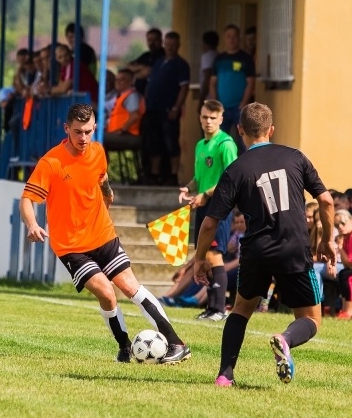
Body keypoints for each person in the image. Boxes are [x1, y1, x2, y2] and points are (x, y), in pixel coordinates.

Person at [19, 103, 190, 363]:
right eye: (77, 132)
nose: (83, 138)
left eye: (88, 131)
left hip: (103, 235)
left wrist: (108, 194)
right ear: (66, 129)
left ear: (95, 128)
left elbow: (102, 177)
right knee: (108, 294)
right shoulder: (51, 162)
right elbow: (27, 199)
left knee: (131, 287)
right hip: (71, 247)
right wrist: (32, 224)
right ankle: (124, 346)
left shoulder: (98, 151)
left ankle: (177, 343)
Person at [192, 102, 335, 387]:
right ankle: (286, 339)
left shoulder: (235, 170)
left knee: (241, 310)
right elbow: (326, 201)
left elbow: (209, 223)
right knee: (311, 318)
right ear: (271, 130)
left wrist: (199, 259)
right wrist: (328, 240)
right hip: (294, 246)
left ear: (240, 130)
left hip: (256, 251)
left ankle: (225, 375)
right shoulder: (295, 157)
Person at [178, 100, 238, 320]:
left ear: (221, 119)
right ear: (200, 118)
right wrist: (189, 188)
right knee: (203, 255)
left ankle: (220, 309)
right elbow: (199, 177)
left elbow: (230, 177)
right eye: (205, 117)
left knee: (214, 255)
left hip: (219, 207)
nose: (208, 121)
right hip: (204, 207)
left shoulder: (226, 144)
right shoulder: (200, 145)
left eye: (213, 118)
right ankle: (211, 308)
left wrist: (205, 194)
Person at [142, 31, 190, 186]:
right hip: (152, 110)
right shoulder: (159, 62)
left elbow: (184, 88)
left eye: (173, 45)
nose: (170, 47)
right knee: (154, 144)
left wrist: (176, 108)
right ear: (164, 44)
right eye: (168, 44)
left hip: (168, 111)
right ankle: (154, 175)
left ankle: (173, 175)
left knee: (171, 144)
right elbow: (150, 83)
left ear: (178, 45)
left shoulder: (181, 65)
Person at [208, 24, 255, 151]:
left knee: (244, 142)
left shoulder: (246, 59)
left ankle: (244, 164)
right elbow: (212, 82)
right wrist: (215, 103)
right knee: (220, 142)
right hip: (222, 108)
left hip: (240, 108)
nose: (231, 39)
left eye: (234, 36)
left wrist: (243, 103)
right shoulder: (219, 59)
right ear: (224, 38)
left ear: (239, 38)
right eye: (228, 36)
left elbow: (251, 82)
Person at [103, 68, 144, 153]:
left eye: (122, 80)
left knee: (95, 138)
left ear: (130, 82)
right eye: (116, 80)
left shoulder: (132, 96)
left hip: (129, 135)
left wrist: (122, 130)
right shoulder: (121, 96)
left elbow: (135, 116)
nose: (118, 82)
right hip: (118, 133)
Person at [126, 27, 164, 95]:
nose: (152, 43)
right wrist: (141, 67)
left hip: (155, 94)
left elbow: (148, 72)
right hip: (139, 94)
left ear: (161, 41)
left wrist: (136, 73)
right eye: (149, 40)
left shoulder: (164, 55)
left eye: (155, 40)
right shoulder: (146, 55)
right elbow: (129, 66)